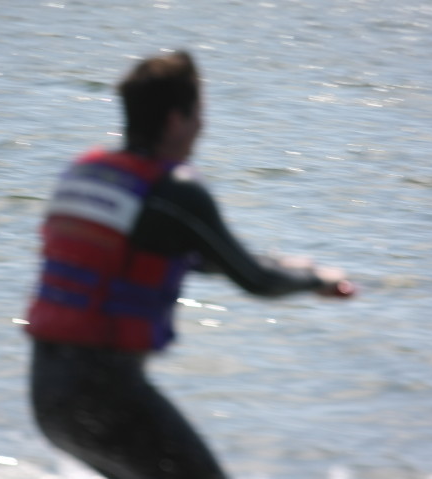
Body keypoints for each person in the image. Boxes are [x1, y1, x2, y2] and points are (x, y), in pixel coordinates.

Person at [25, 50, 353, 479]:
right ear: (176, 120)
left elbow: (187, 257)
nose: (203, 126)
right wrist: (316, 279)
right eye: (199, 113)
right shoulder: (175, 190)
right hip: (103, 395)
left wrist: (280, 263)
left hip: (47, 395)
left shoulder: (88, 174)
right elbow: (255, 280)